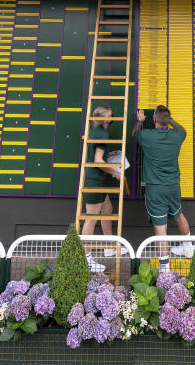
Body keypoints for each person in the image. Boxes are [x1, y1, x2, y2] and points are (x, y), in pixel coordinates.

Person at [133, 105, 195, 272]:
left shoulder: (146, 135)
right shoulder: (177, 135)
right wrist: (171, 120)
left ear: (153, 120)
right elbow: (184, 130)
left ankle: (165, 268)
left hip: (155, 190)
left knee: (160, 227)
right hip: (173, 186)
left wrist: (140, 121)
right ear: (168, 121)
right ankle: (188, 247)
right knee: (179, 215)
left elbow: (135, 133)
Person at [81, 105, 122, 272]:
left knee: (107, 209)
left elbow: (97, 154)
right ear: (105, 118)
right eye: (110, 114)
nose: (113, 115)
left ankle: (110, 246)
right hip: (94, 180)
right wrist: (115, 173)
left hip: (95, 179)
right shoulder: (102, 133)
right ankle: (86, 258)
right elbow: (98, 161)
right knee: (91, 219)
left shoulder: (96, 130)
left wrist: (108, 154)